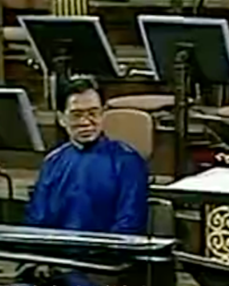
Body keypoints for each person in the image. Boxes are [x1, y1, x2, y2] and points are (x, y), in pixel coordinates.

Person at [24, 75, 148, 233]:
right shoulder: (53, 162)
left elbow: (129, 225)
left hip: (107, 248)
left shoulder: (127, 161)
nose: (85, 122)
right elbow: (36, 221)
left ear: (103, 114)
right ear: (61, 118)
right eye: (76, 115)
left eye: (93, 113)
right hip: (58, 247)